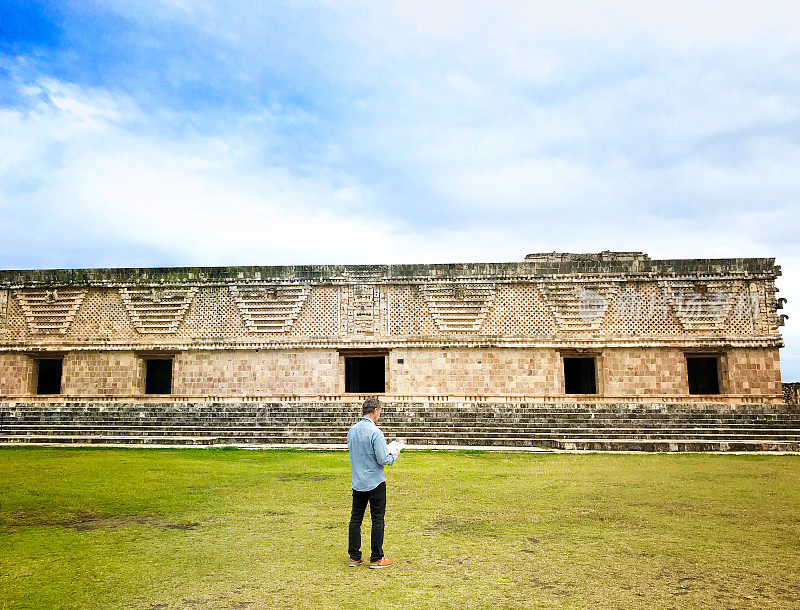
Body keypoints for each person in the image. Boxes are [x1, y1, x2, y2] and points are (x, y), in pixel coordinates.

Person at [346, 396, 400, 568]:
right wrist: (394, 456)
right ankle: (377, 557)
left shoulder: (352, 431)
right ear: (375, 411)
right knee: (377, 519)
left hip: (358, 481)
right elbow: (383, 458)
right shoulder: (375, 432)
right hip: (375, 482)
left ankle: (355, 556)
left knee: (356, 519)